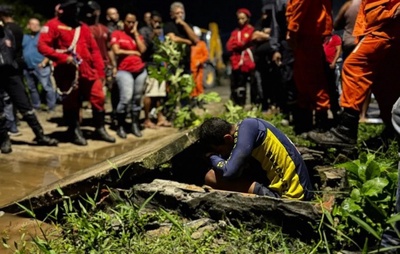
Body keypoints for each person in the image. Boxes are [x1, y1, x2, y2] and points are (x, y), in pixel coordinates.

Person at [308, 0, 400, 147]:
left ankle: (346, 130)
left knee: (354, 66)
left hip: (385, 21)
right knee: (384, 79)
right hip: (383, 20)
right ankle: (392, 132)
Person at [38, 0, 116, 146]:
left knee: (98, 97)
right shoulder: (52, 25)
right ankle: (74, 130)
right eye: (72, 9)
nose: (75, 12)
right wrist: (62, 58)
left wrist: (100, 73)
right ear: (63, 10)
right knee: (71, 102)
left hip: (89, 71)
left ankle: (100, 128)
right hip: (67, 71)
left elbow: (94, 51)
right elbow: (42, 46)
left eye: (76, 9)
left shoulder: (83, 27)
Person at [199, 117, 314, 200]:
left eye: (220, 151)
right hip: (301, 190)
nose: (222, 154)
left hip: (291, 197)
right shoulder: (247, 127)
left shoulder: (248, 129)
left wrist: (212, 157)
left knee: (211, 177)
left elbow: (229, 171)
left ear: (228, 138)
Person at [0, 21, 58, 154]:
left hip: (12, 74)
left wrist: (17, 64)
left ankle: (40, 135)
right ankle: (4, 139)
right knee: (0, 112)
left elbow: (16, 51)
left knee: (25, 106)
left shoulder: (7, 32)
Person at [286, 0, 333, 134]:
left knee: (312, 78)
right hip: (307, 30)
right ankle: (307, 124)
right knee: (304, 78)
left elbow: (301, 3)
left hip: (307, 30)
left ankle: (320, 124)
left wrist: (292, 27)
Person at [110, 13, 147, 138]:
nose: (130, 24)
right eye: (128, 22)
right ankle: (120, 125)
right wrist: (132, 52)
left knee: (137, 99)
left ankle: (135, 124)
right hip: (124, 70)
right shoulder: (117, 34)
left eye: (133, 22)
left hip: (140, 70)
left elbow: (142, 50)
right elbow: (116, 50)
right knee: (126, 98)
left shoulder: (138, 35)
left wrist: (135, 33)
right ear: (123, 22)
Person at [139, 11, 171, 129]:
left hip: (160, 67)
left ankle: (159, 118)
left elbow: (164, 51)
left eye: (159, 22)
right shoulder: (145, 31)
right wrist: (153, 34)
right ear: (150, 20)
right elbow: (144, 49)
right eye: (155, 21)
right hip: (150, 65)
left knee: (160, 94)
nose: (157, 23)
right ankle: (146, 119)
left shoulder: (162, 33)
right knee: (150, 93)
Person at [23, 18, 57, 112]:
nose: (35, 26)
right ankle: (36, 106)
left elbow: (50, 50)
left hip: (41, 67)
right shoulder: (25, 37)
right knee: (32, 88)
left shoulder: (42, 37)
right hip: (27, 67)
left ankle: (51, 107)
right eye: (32, 24)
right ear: (28, 26)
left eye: (37, 24)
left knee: (47, 87)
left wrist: (44, 62)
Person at [226, 8, 256, 106]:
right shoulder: (235, 32)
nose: (241, 21)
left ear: (247, 18)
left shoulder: (250, 30)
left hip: (247, 61)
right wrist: (236, 44)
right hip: (236, 61)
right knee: (236, 84)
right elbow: (229, 46)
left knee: (251, 83)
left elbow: (242, 43)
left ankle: (253, 103)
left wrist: (236, 44)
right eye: (239, 19)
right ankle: (238, 104)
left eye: (243, 18)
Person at [163, 2, 198, 74]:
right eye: (177, 13)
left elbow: (195, 39)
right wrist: (187, 41)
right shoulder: (168, 25)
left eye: (182, 13)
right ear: (172, 14)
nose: (180, 15)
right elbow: (173, 39)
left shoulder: (188, 26)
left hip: (186, 63)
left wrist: (184, 24)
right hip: (173, 63)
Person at [322, 31, 342, 124]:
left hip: (332, 66)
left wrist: (334, 62)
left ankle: (335, 111)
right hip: (323, 66)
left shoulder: (335, 38)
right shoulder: (323, 40)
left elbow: (338, 50)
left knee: (334, 88)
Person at [190, 26, 208, 104]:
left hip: (198, 68)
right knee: (191, 84)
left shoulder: (202, 44)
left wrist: (200, 61)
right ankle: (193, 98)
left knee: (198, 83)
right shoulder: (190, 44)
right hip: (190, 68)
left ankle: (200, 98)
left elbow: (206, 55)